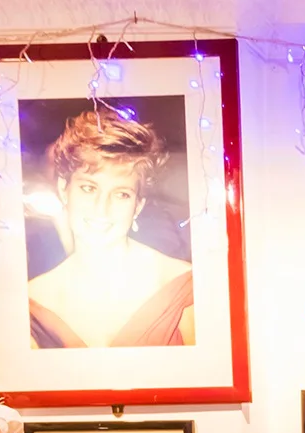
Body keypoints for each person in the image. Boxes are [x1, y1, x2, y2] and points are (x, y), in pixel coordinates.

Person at [28, 110, 195, 349]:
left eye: (121, 194)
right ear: (64, 189)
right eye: (88, 188)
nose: (102, 208)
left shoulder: (183, 287)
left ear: (138, 206)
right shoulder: (33, 302)